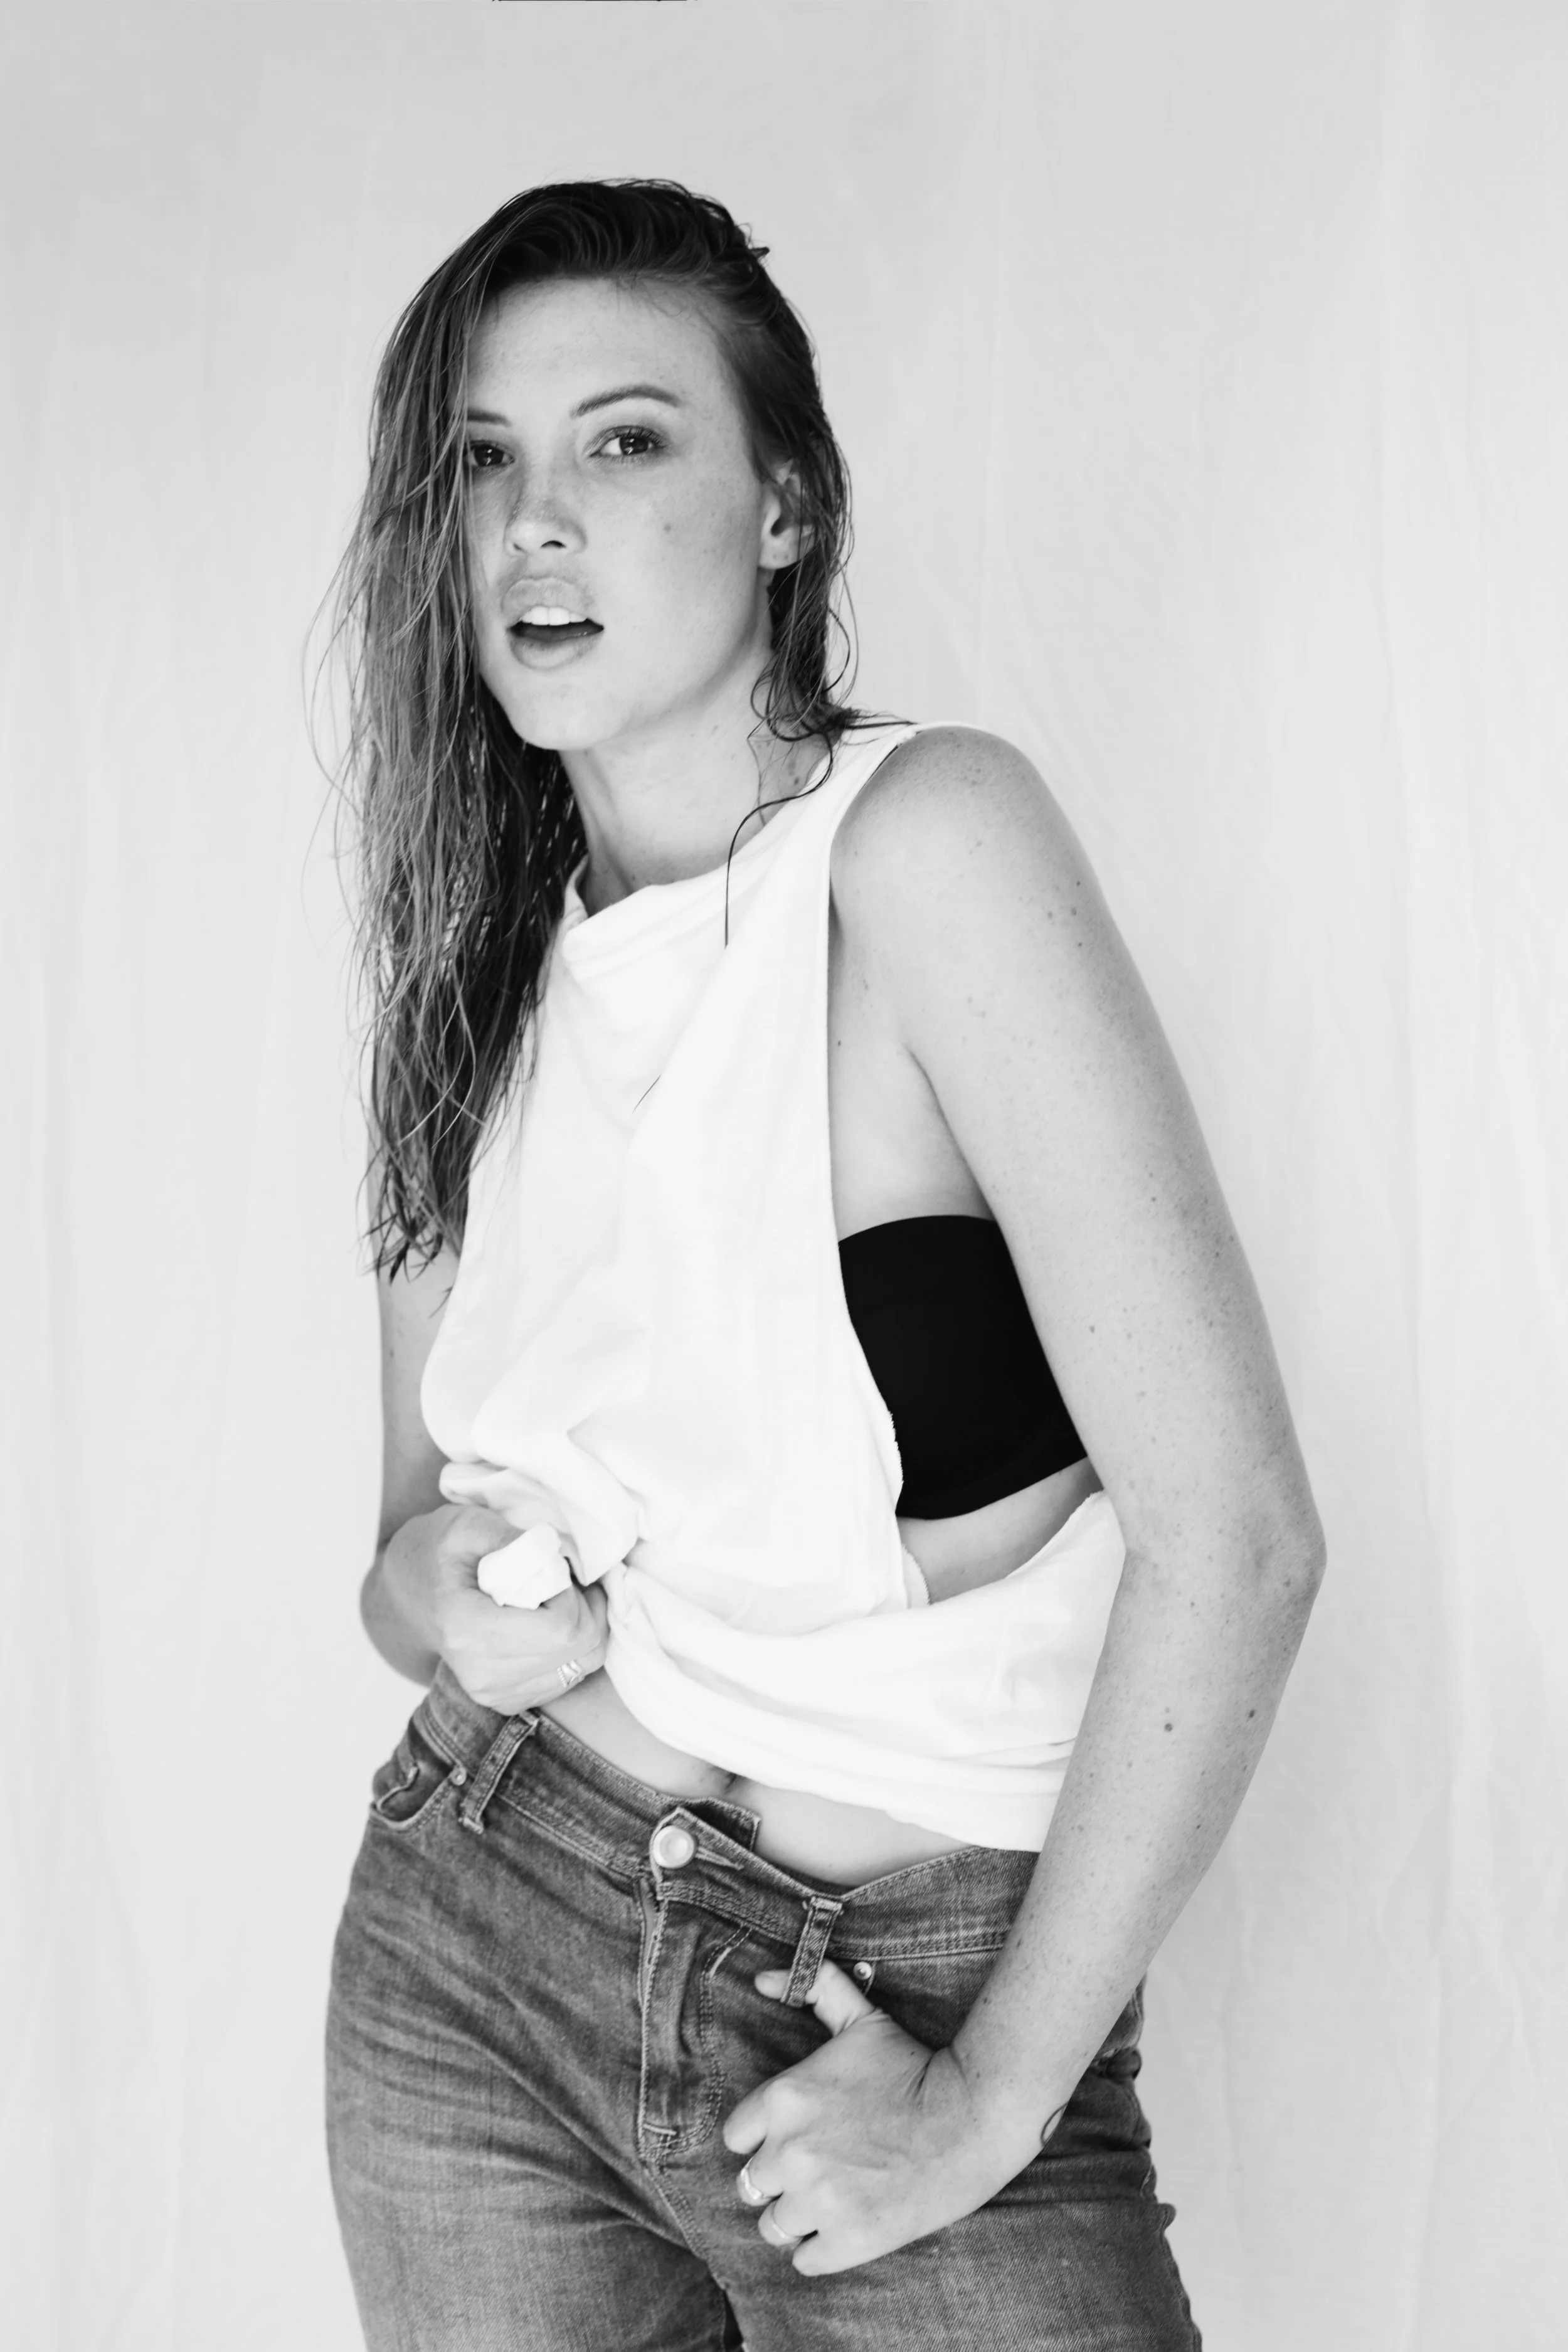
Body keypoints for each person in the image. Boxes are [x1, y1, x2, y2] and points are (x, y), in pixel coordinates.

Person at [322, 178, 1325, 2352]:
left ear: (784, 508)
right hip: (476, 1955)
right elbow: (400, 1556)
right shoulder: (466, 960)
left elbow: (1237, 1537)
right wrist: (441, 1598)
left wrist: (979, 2106)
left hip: (896, 2002)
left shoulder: (918, 847)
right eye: (481, 460)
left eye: (624, 438)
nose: (535, 523)